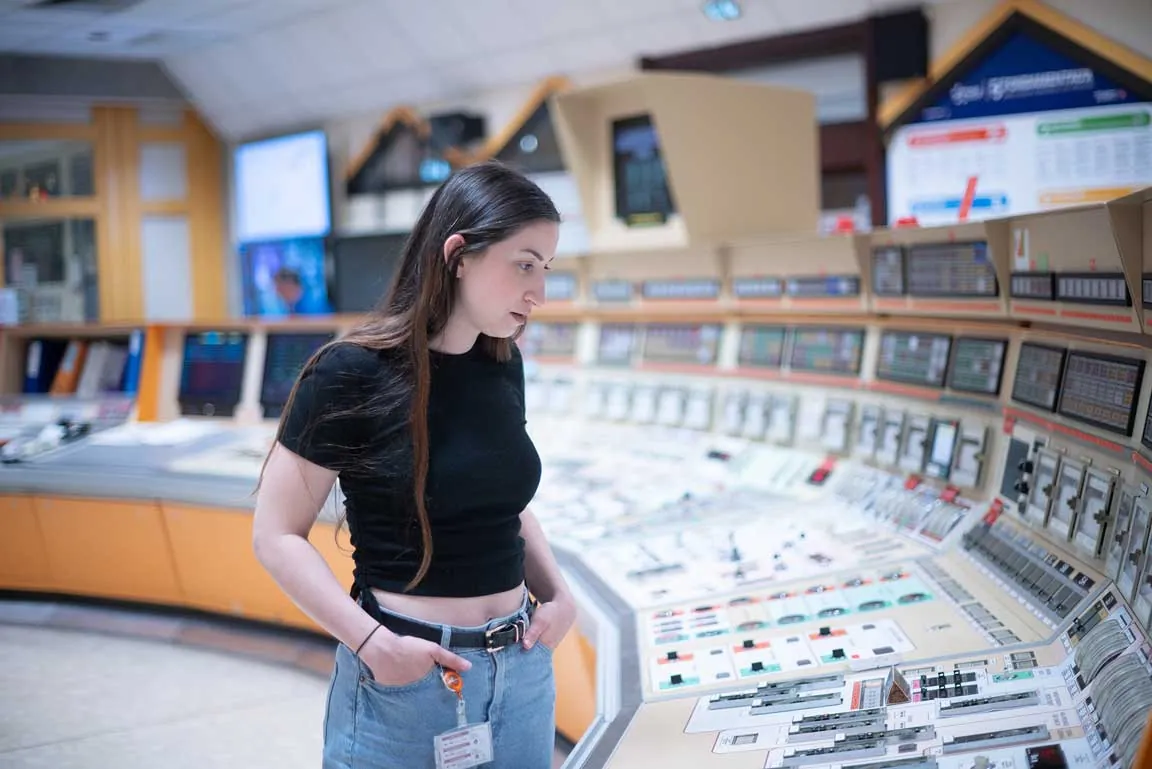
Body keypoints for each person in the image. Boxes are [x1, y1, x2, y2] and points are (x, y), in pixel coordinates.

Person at [253, 161, 576, 768]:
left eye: (546, 269)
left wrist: (559, 594)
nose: (539, 292)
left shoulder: (501, 364)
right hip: (408, 680)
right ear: (458, 254)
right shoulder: (348, 370)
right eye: (525, 264)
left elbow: (504, 503)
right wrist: (374, 645)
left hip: (524, 668)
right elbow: (275, 535)